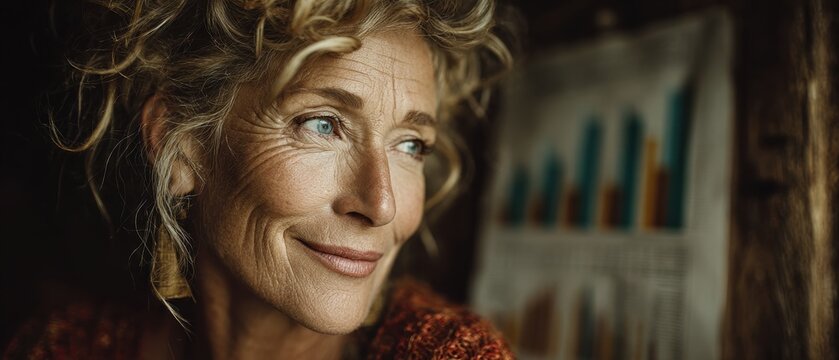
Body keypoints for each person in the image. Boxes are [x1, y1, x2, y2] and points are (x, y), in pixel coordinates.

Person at [4, 0, 513, 358]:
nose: (380, 204)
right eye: (323, 124)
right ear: (182, 147)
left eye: (410, 145)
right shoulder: (64, 346)